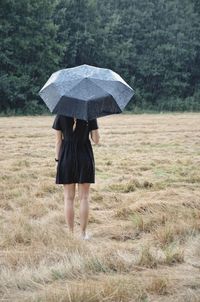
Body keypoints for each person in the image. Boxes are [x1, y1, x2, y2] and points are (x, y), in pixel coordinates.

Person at [52, 114, 100, 240]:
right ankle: (83, 234)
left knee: (68, 199)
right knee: (84, 198)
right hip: (84, 156)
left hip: (66, 158)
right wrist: (94, 125)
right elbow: (96, 140)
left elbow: (58, 142)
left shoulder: (60, 115)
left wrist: (58, 160)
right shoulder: (90, 114)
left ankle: (70, 234)